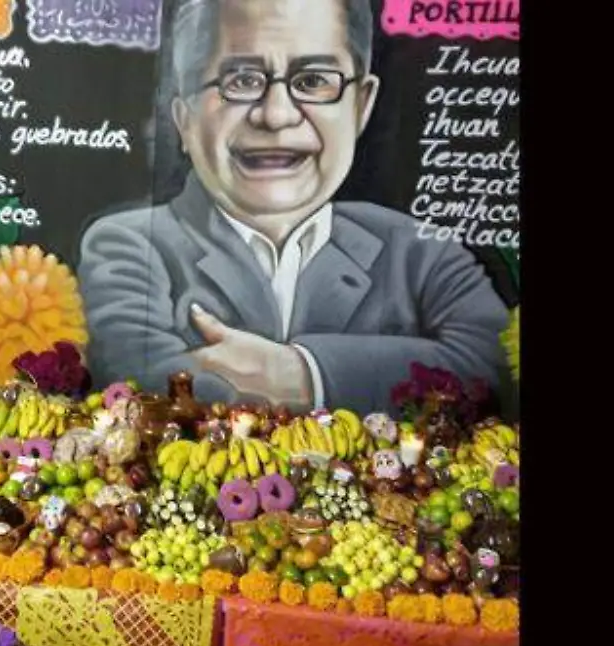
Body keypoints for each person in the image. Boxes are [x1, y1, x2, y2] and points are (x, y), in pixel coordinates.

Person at [77, 0, 509, 414]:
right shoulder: (128, 247)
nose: (277, 115)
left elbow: (497, 366)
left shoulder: (421, 251)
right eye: (241, 80)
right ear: (185, 119)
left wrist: (304, 374)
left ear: (360, 106)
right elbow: (146, 382)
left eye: (313, 80)